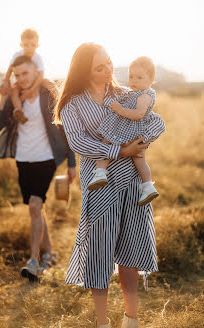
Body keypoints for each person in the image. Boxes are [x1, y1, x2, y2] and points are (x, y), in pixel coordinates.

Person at [54, 43, 158, 328]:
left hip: (131, 184)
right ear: (83, 71)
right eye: (100, 67)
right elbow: (77, 143)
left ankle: (131, 319)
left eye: (109, 63)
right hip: (99, 186)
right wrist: (118, 150)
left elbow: (146, 125)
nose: (108, 70)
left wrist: (142, 141)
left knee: (131, 249)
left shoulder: (128, 95)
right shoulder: (72, 103)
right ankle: (102, 323)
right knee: (99, 252)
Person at [0, 55, 76, 281]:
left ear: (36, 70)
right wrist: (2, 98)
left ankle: (33, 261)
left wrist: (72, 163)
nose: (21, 78)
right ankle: (51, 253)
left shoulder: (48, 94)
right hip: (23, 159)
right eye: (17, 74)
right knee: (38, 206)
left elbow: (66, 129)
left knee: (35, 206)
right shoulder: (17, 96)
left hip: (47, 158)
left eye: (25, 73)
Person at [87, 56, 165, 206]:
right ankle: (147, 186)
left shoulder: (144, 96)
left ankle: (100, 172)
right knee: (139, 159)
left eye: (139, 77)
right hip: (134, 133)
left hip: (128, 130)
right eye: (131, 76)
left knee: (106, 143)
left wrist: (119, 109)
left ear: (151, 79)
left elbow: (138, 114)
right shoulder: (135, 92)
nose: (133, 81)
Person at [0, 28, 57, 124]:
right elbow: (10, 69)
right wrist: (6, 81)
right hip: (21, 80)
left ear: (37, 45)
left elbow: (41, 75)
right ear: (21, 45)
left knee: (48, 83)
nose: (29, 48)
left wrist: (31, 90)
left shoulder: (38, 58)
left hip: (38, 79)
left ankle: (59, 99)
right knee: (14, 91)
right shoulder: (17, 55)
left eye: (33, 45)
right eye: (26, 45)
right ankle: (18, 110)